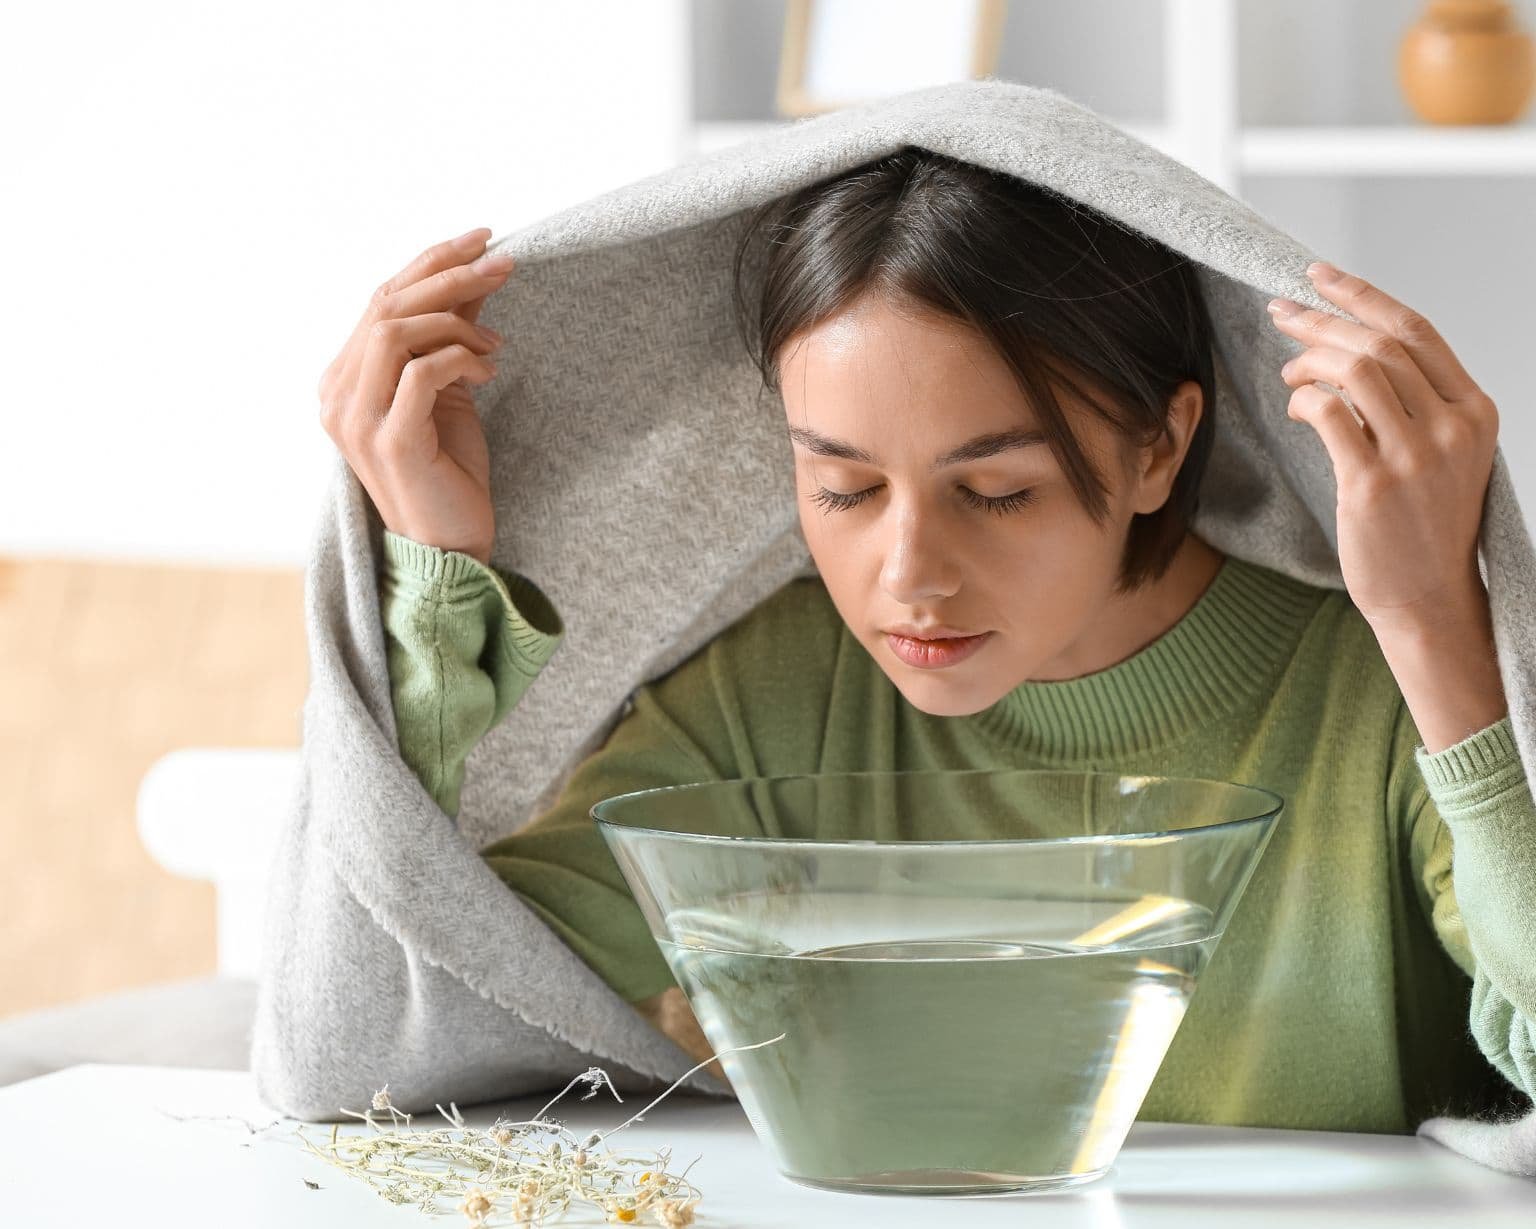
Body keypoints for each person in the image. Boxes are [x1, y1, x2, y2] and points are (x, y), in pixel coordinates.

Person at [322, 147, 1530, 1130]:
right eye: (843, 488)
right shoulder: (775, 696)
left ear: (1161, 446)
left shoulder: (1378, 698)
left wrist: (1431, 618)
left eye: (996, 490)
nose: (907, 578)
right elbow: (385, 1030)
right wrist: (434, 585)